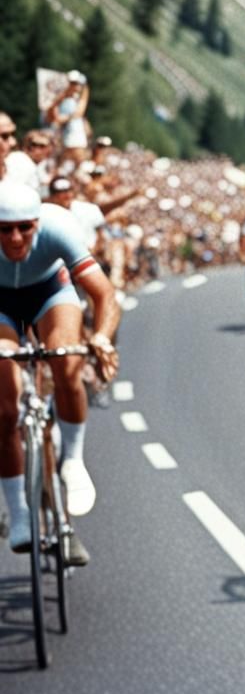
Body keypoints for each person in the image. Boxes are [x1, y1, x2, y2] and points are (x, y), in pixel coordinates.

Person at [0, 183, 120, 565]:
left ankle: (73, 459)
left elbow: (104, 295)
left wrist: (100, 337)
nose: (15, 238)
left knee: (68, 366)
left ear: (38, 223)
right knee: (4, 410)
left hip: (50, 292)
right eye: (4, 229)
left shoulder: (60, 227)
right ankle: (19, 513)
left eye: (25, 227)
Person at [45, 70, 91, 164]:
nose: (76, 86)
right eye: (73, 83)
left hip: (75, 139)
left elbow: (79, 112)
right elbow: (53, 119)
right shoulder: (58, 100)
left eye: (77, 83)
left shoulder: (76, 99)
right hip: (64, 140)